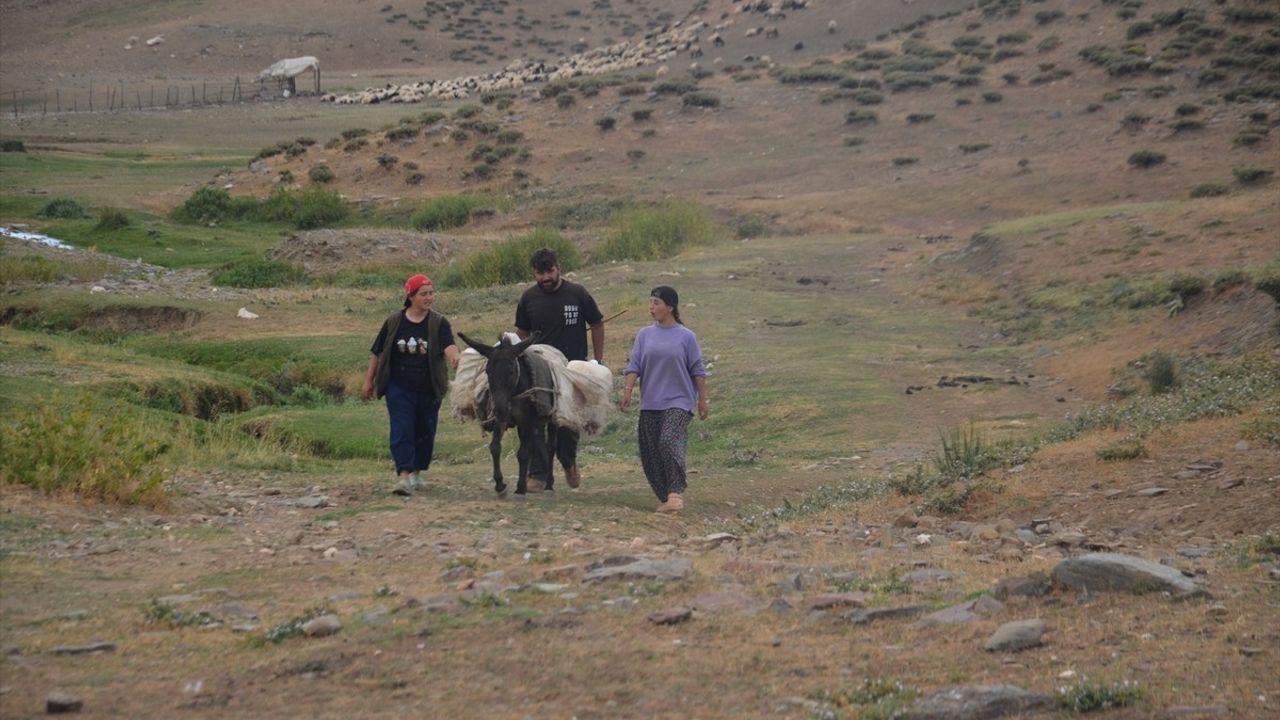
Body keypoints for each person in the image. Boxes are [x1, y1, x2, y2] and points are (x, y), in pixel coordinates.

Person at [514, 247, 604, 491]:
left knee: (566, 423)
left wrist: (598, 360)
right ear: (534, 273)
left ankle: (568, 461)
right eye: (539, 273)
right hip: (538, 371)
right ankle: (538, 475)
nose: (545, 278)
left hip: (571, 369)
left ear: (558, 268)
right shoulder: (528, 298)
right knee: (535, 421)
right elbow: (521, 333)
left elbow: (596, 323)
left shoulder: (577, 293)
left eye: (549, 271)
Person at [363, 273, 460, 496]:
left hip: (428, 388)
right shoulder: (394, 322)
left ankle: (417, 473)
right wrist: (369, 381)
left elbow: (449, 346)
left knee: (425, 431)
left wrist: (456, 358)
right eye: (424, 294)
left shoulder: (439, 323)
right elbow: (377, 352)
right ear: (411, 296)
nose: (429, 298)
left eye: (431, 293)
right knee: (402, 428)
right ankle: (403, 477)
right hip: (399, 387)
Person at [620, 286, 709, 513]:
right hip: (650, 402)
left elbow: (698, 370)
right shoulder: (644, 335)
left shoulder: (686, 337)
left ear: (670, 307)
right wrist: (628, 391)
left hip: (679, 401)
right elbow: (634, 365)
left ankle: (675, 494)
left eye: (657, 303)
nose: (652, 307)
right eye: (650, 302)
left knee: (668, 441)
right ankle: (666, 496)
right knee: (650, 452)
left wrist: (702, 400)